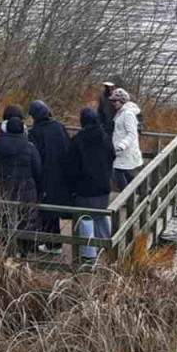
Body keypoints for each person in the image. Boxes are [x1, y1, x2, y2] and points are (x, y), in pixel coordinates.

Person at [0, 105, 42, 257]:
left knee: (5, 217)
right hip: (26, 189)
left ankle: (6, 248)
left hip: (6, 187)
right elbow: (37, 169)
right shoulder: (29, 147)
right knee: (26, 220)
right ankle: (24, 251)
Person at [66, 107, 116, 260]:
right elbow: (112, 156)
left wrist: (73, 185)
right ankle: (108, 246)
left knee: (85, 219)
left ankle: (89, 254)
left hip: (85, 189)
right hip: (103, 188)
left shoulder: (77, 141)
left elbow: (72, 166)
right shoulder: (105, 138)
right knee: (101, 216)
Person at [27, 99, 71, 253]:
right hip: (62, 174)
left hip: (45, 176)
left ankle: (52, 244)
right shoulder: (60, 127)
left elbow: (35, 156)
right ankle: (54, 243)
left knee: (46, 211)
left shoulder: (35, 132)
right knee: (54, 210)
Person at [111, 88, 143, 190]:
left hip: (125, 150)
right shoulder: (121, 112)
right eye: (112, 101)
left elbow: (132, 133)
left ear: (122, 101)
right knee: (124, 173)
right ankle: (139, 189)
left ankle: (126, 197)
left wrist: (122, 145)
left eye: (115, 101)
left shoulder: (128, 114)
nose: (113, 103)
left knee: (118, 172)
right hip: (120, 150)